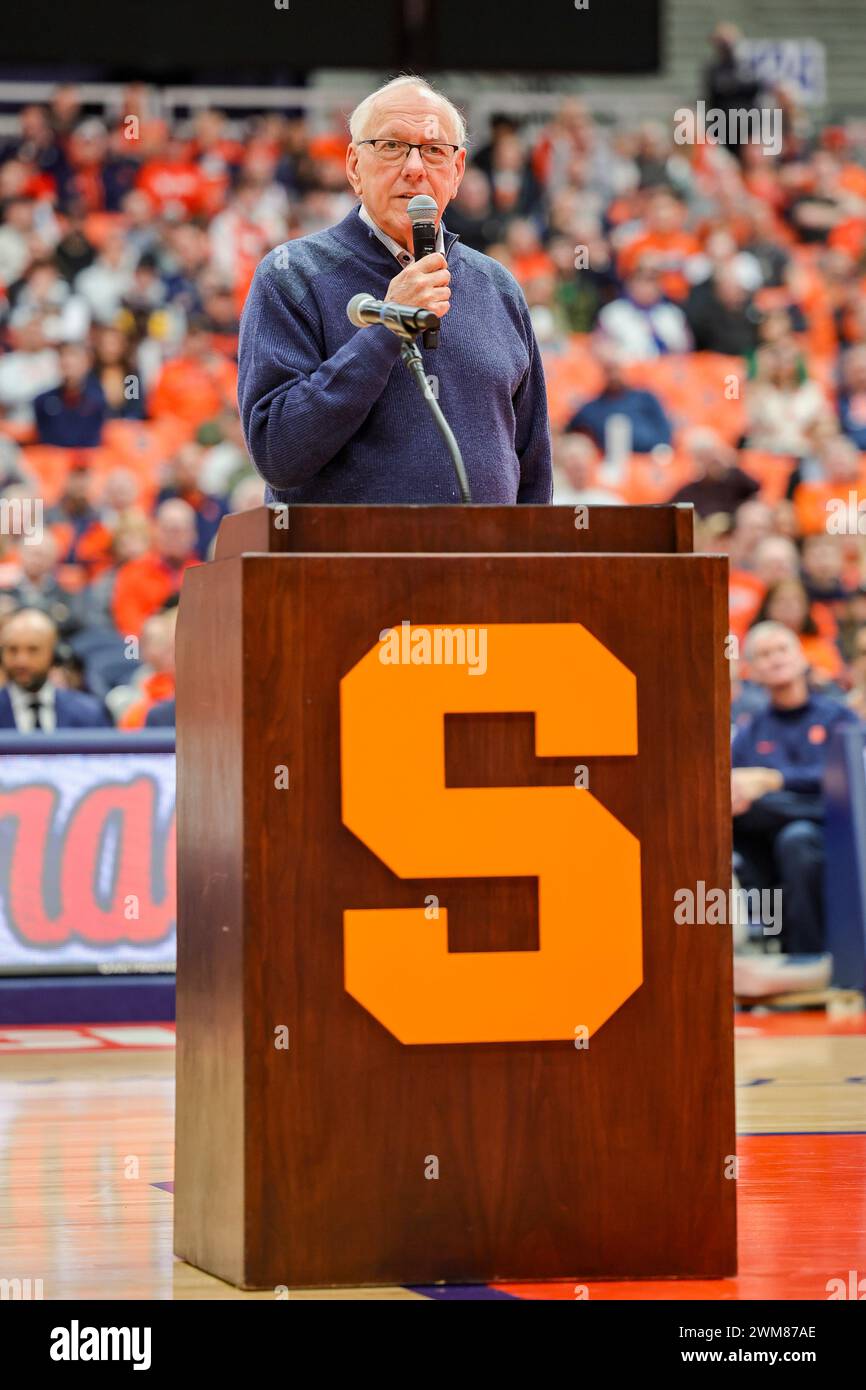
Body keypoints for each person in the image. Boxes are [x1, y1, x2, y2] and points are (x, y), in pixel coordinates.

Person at [237, 75, 552, 504]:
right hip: (344, 568)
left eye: (434, 151)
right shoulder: (292, 275)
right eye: (391, 147)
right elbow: (278, 452)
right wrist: (387, 326)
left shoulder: (497, 287)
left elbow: (532, 471)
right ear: (353, 167)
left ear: (457, 172)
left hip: (481, 568)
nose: (415, 168)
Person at [731, 621, 860, 953]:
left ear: (802, 658)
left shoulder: (838, 718)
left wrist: (774, 780)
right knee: (760, 820)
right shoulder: (750, 732)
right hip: (768, 841)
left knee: (798, 835)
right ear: (752, 671)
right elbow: (738, 793)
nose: (775, 659)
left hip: (836, 829)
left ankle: (807, 957)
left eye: (782, 649)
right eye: (763, 654)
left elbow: (845, 778)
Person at [0, 608, 111, 730]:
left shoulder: (89, 713)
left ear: (53, 655)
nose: (21, 661)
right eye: (12, 650)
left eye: (33, 650)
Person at [565, 339, 672, 454]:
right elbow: (569, 429)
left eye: (616, 369)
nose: (614, 376)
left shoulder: (645, 398)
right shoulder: (592, 408)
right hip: (612, 464)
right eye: (609, 370)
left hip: (650, 456)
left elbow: (664, 430)